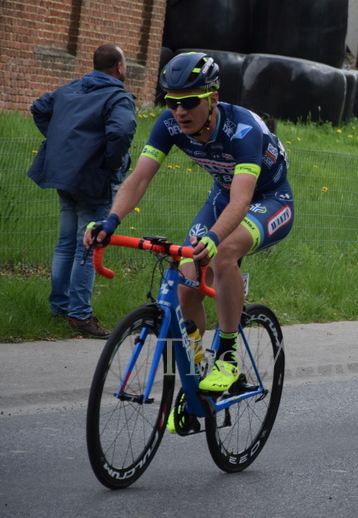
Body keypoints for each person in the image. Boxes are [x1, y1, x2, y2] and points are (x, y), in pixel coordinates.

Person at [84, 52, 294, 402]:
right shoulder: (168, 124)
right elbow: (138, 179)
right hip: (223, 197)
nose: (180, 111)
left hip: (269, 199)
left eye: (190, 102)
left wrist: (213, 238)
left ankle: (226, 357)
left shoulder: (242, 129)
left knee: (224, 253)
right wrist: (110, 220)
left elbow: (242, 201)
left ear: (212, 98)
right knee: (186, 284)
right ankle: (196, 369)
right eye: (172, 102)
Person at [28, 43, 136, 338]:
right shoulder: (118, 96)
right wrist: (112, 164)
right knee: (87, 245)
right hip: (93, 179)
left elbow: (39, 108)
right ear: (119, 67)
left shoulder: (71, 89)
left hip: (63, 175)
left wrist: (65, 146)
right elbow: (122, 131)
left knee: (67, 243)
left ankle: (60, 306)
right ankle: (79, 314)